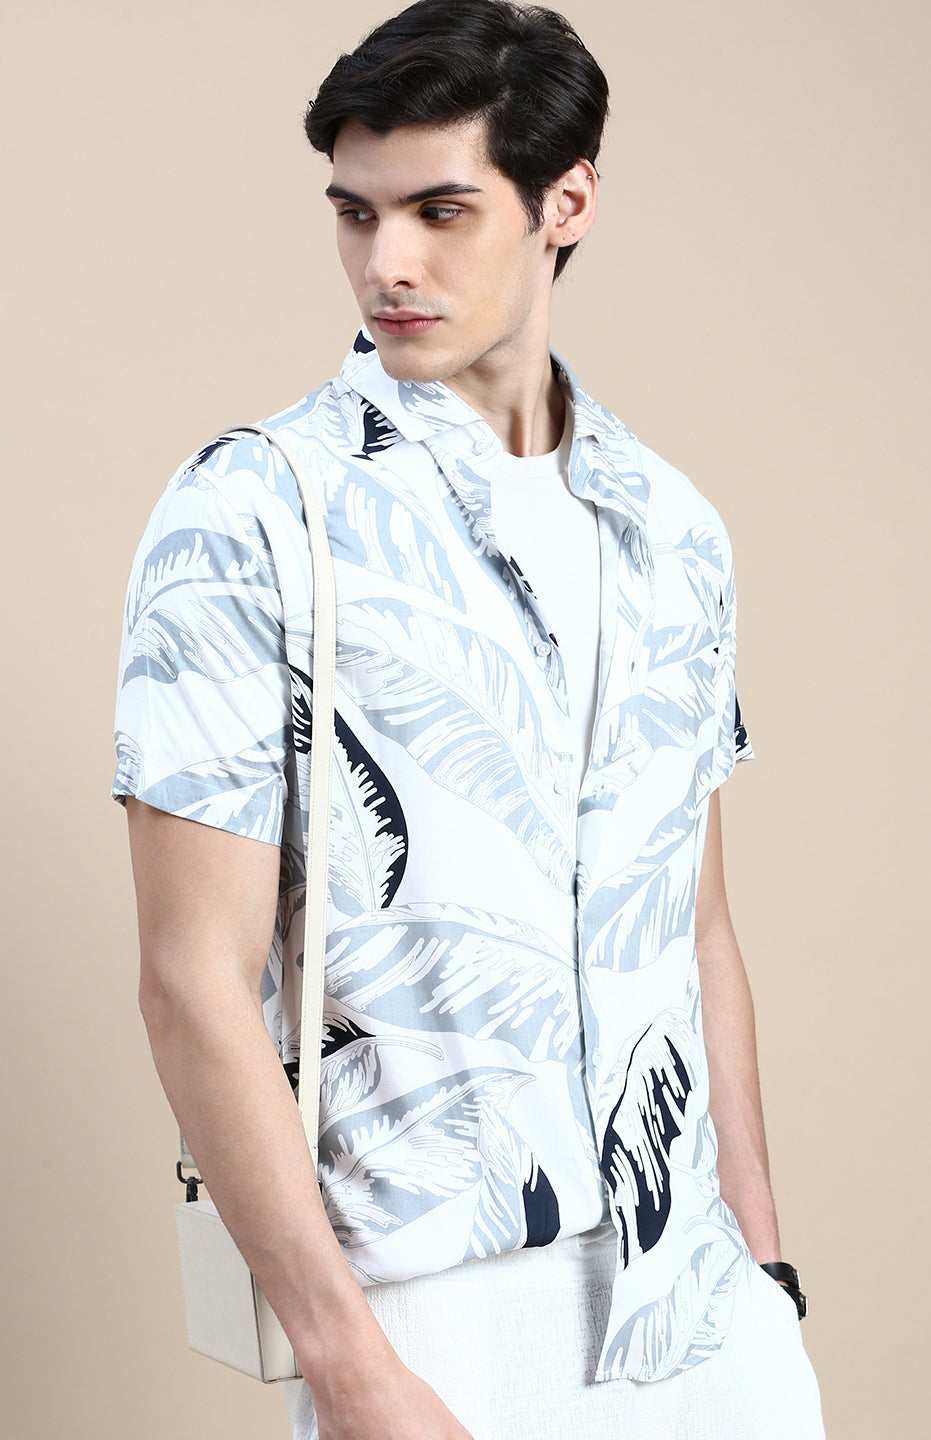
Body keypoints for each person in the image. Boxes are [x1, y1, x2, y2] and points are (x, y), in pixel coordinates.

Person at [113, 2, 826, 1436]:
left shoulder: (672, 529)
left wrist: (763, 1268)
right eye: (356, 212)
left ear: (567, 203)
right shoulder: (253, 512)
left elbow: (695, 927)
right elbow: (193, 978)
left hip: (699, 1304)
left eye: (441, 211)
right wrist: (353, 1368)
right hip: (441, 1317)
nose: (389, 261)